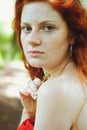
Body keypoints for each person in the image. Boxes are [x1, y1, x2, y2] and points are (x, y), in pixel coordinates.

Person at [13, 0, 87, 130]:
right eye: (27, 28)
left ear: (72, 34)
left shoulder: (55, 90)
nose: (32, 40)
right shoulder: (78, 77)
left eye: (48, 27)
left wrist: (26, 117)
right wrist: (30, 113)